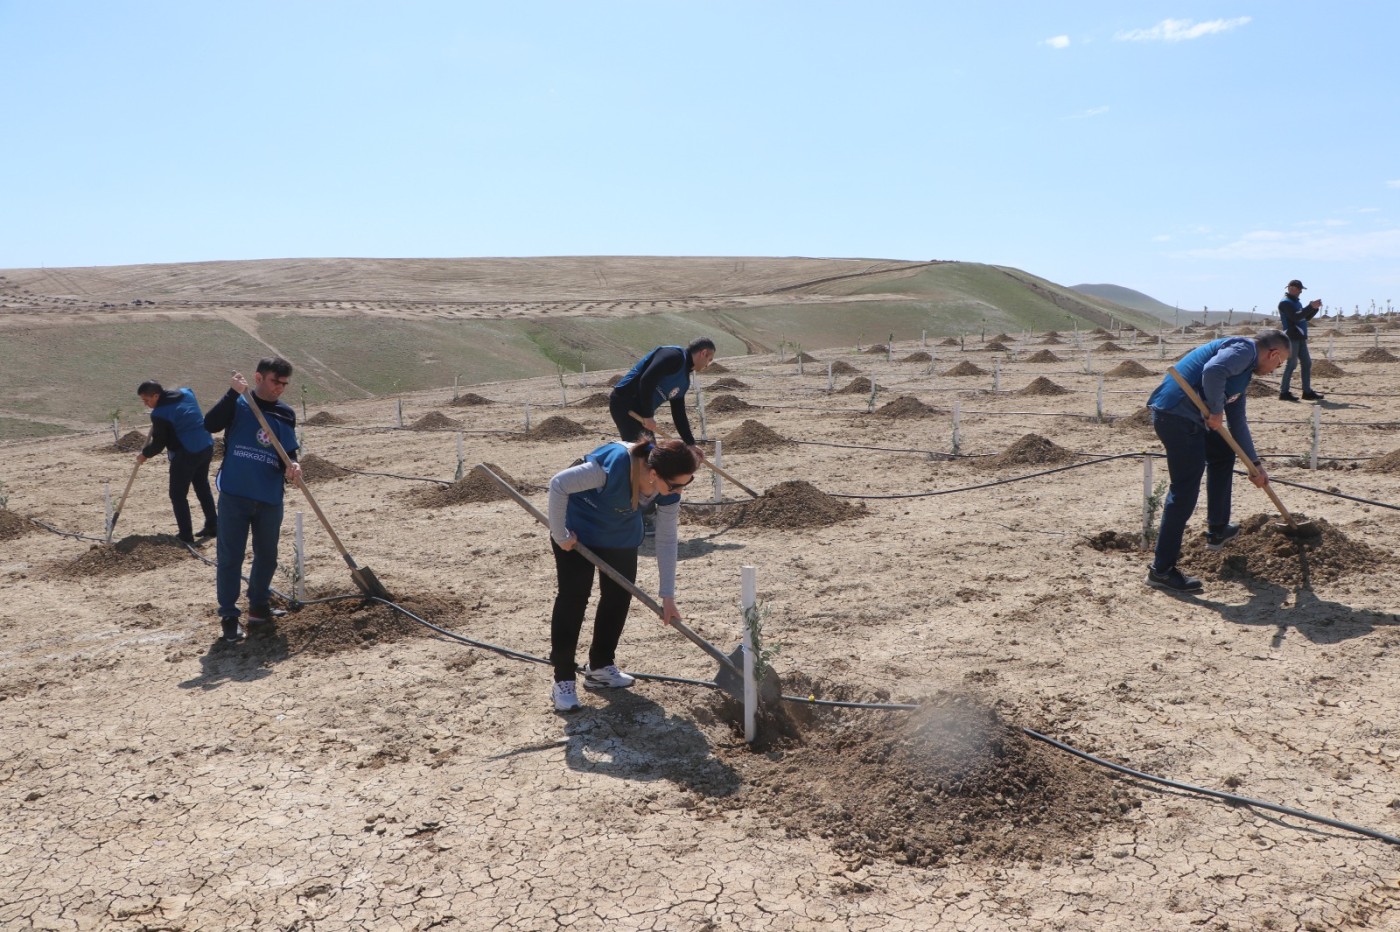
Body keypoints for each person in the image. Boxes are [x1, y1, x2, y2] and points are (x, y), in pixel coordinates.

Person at [545, 438, 698, 712]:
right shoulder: (611, 467)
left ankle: (601, 667)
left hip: (620, 535)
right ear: (653, 474)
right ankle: (563, 680)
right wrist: (560, 535)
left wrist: (667, 595)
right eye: (675, 485)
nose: (679, 491)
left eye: (686, 484)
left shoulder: (668, 489)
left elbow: (666, 538)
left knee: (618, 596)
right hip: (577, 531)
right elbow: (559, 484)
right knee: (574, 597)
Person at [1144, 329, 1291, 592]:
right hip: (1176, 416)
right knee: (1185, 491)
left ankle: (1218, 527)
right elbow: (1212, 371)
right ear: (1273, 354)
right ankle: (1162, 571)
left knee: (1223, 453)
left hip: (1192, 419)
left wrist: (1254, 465)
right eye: (1278, 365)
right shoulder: (1243, 350)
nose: (1274, 370)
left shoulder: (1242, 374)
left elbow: (1238, 423)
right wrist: (1215, 409)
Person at [202, 358, 302, 643]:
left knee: (267, 556)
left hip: (269, 495)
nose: (280, 389)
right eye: (275, 382)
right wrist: (232, 392)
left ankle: (259, 606)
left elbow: (289, 450)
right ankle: (229, 617)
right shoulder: (239, 403)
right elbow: (209, 424)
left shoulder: (286, 413)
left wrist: (293, 465)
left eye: (284, 384)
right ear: (258, 378)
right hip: (235, 493)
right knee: (230, 557)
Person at [135, 380, 218, 545]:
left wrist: (145, 454)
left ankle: (185, 535)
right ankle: (214, 525)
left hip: (187, 452)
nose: (145, 404)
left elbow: (159, 443)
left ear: (156, 395)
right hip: (206, 445)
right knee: (202, 486)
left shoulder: (159, 414)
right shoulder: (186, 392)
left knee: (177, 495)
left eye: (147, 400)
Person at [608, 337, 716, 449]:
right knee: (642, 456)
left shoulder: (684, 381)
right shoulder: (673, 356)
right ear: (703, 353)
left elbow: (679, 413)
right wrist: (648, 415)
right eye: (710, 359)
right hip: (625, 403)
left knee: (650, 455)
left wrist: (690, 444)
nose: (707, 365)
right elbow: (646, 380)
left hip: (641, 413)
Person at [1277, 278, 1325, 402]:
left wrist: (1314, 308)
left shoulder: (1296, 302)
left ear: (1300, 290)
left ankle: (1307, 391)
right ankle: (1284, 392)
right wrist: (1310, 306)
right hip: (1292, 337)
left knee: (1307, 363)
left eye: (1294, 288)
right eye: (1290, 288)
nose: (1292, 289)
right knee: (1292, 364)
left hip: (1300, 337)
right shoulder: (1285, 303)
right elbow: (1296, 317)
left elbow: (1305, 317)